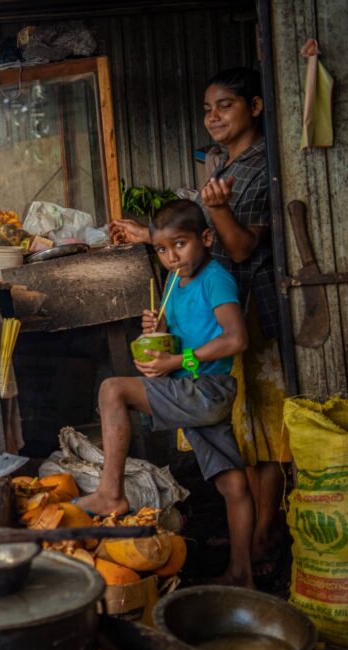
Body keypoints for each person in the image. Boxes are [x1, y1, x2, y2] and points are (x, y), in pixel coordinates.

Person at [109, 67, 289, 581]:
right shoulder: (215, 160)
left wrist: (180, 358)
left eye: (225, 106)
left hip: (248, 305)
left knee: (263, 431)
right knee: (238, 451)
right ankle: (245, 545)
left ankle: (261, 538)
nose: (213, 117)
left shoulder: (261, 165)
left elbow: (236, 245)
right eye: (208, 108)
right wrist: (154, 237)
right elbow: (195, 233)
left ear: (254, 107)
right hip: (205, 325)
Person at [81, 200, 254, 587]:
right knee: (233, 485)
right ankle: (242, 574)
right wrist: (157, 328)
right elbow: (184, 335)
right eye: (161, 249)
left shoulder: (216, 279)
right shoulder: (175, 284)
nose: (171, 257)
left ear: (205, 238)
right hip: (199, 389)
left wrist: (177, 360)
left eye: (180, 244)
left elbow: (236, 338)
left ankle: (111, 494)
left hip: (206, 389)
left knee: (112, 390)